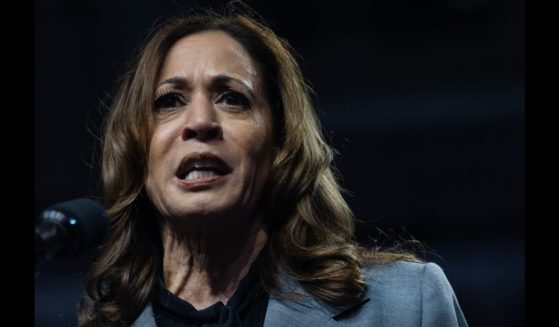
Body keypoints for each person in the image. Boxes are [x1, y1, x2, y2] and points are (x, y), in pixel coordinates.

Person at [78, 3, 468, 327]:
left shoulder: (406, 306)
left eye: (233, 98)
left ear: (281, 145)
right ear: (138, 153)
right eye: (168, 101)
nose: (199, 121)